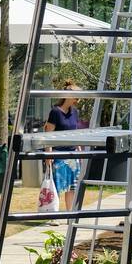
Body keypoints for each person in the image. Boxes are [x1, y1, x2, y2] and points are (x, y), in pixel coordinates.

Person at [44, 80, 82, 212]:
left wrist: (79, 150)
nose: (77, 100)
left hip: (72, 155)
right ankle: (54, 214)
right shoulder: (55, 112)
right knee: (57, 186)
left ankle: (69, 213)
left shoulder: (75, 112)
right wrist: (48, 154)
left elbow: (75, 132)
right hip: (58, 155)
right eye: (76, 96)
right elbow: (48, 133)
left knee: (71, 187)